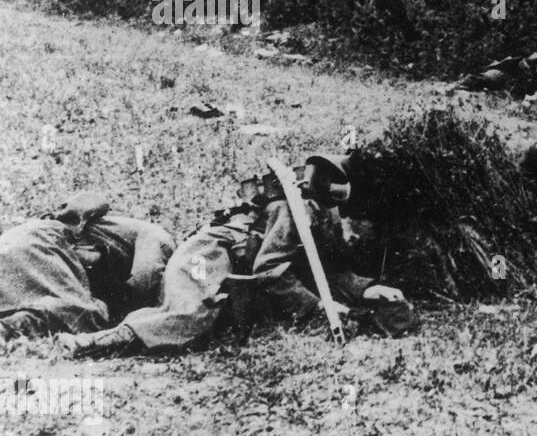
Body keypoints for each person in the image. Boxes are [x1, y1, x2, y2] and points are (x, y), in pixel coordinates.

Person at [59, 153, 411, 358]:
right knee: (193, 314)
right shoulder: (293, 210)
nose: (338, 192)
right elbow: (271, 268)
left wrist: (366, 290)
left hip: (237, 265)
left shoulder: (323, 215)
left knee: (210, 320)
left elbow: (325, 269)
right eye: (333, 183)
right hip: (208, 255)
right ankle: (91, 343)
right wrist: (320, 307)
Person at [0, 192, 174, 345]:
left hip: (15, 241)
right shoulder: (162, 239)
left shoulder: (117, 229)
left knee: (44, 304)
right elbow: (145, 278)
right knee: (84, 313)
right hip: (44, 241)